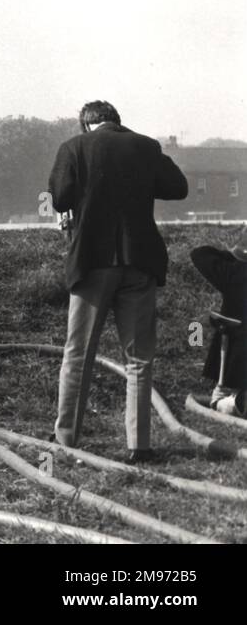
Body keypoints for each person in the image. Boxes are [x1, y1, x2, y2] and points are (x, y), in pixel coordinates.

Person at [48, 100, 188, 462]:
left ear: (85, 125)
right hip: (140, 262)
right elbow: (178, 187)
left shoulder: (73, 147)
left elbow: (60, 197)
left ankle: (66, 439)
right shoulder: (145, 145)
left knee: (78, 352)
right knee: (139, 358)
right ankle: (139, 445)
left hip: (92, 264)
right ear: (117, 122)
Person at [190, 228, 247, 417]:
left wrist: (233, 255)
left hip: (236, 361)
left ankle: (231, 403)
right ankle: (235, 402)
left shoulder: (233, 272)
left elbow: (199, 253)